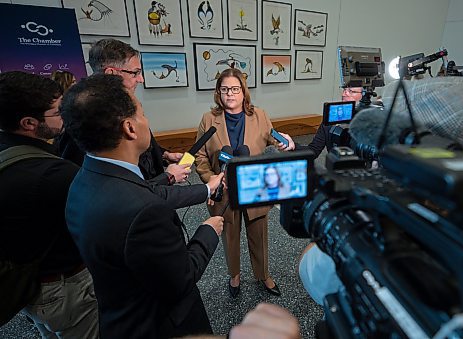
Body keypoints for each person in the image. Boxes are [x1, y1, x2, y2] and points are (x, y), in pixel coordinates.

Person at [61, 74, 225, 338]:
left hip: (118, 316)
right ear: (130, 128)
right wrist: (208, 231)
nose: (147, 121)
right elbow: (181, 279)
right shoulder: (145, 213)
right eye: (143, 114)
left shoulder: (84, 179)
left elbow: (140, 190)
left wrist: (178, 180)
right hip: (160, 325)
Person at [0, 71, 98, 338]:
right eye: (57, 111)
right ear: (29, 122)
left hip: (26, 285)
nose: (66, 115)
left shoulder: (7, 153)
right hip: (64, 288)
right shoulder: (53, 175)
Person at [195, 68, 295, 298]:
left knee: (258, 234)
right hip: (224, 190)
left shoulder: (259, 115)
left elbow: (273, 137)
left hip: (254, 188)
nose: (230, 94)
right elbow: (200, 155)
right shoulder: (209, 119)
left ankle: (263, 275)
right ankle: (235, 275)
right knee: (229, 235)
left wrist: (284, 142)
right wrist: (208, 178)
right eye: (225, 89)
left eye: (235, 89)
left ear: (243, 92)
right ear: (218, 93)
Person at [56, 38, 189, 184]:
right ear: (111, 73)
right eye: (135, 73)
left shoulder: (125, 103)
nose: (141, 79)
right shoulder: (83, 115)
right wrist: (167, 178)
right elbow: (110, 189)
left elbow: (139, 144)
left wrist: (164, 155)